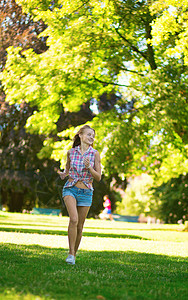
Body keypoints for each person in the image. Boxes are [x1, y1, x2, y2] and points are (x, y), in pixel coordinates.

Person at [59, 125, 101, 265]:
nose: (91, 137)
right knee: (74, 219)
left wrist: (89, 167)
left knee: (80, 226)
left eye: (92, 135)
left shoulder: (95, 154)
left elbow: (98, 177)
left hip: (86, 192)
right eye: (88, 134)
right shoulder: (71, 152)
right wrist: (63, 174)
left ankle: (73, 255)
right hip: (70, 189)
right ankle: (70, 254)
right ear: (81, 136)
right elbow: (67, 170)